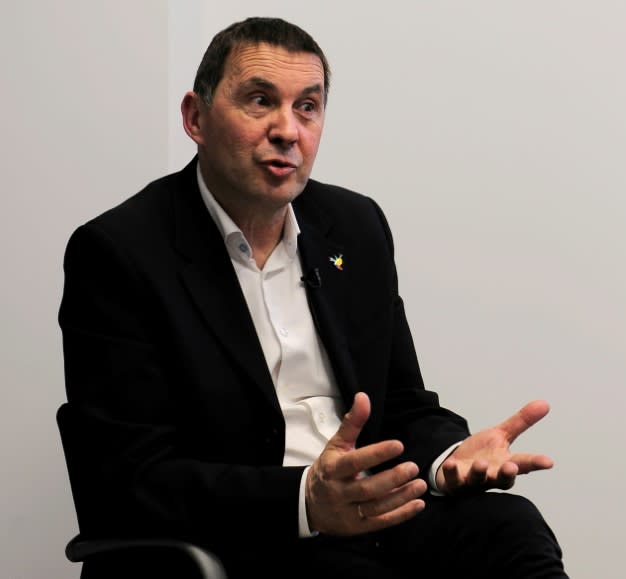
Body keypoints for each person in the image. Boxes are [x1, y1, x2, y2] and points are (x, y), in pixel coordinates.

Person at [58, 16, 569, 578]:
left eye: (308, 107)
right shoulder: (120, 253)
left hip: (373, 516)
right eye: (259, 101)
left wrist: (450, 459)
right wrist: (305, 500)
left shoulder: (353, 226)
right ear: (195, 118)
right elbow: (130, 477)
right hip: (252, 536)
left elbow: (401, 401)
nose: (288, 130)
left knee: (510, 527)